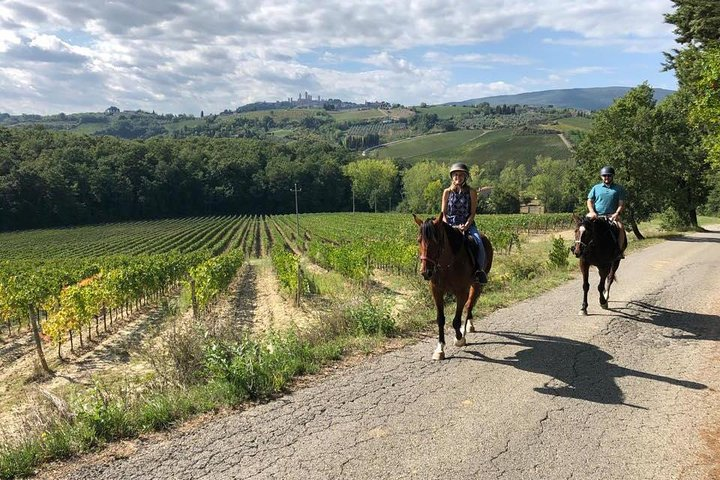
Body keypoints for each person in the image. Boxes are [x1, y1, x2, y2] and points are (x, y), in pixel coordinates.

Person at [441, 162, 488, 284]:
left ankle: (479, 270)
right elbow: (443, 213)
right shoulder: (447, 192)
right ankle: (434, 270)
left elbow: (472, 213)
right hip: (449, 224)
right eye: (456, 175)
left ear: (465, 177)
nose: (458, 177)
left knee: (478, 242)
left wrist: (466, 225)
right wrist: (449, 226)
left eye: (461, 175)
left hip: (466, 224)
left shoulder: (471, 192)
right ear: (452, 177)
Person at [587, 165, 627, 258]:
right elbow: (589, 201)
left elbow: (621, 203)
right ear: (601, 177)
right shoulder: (596, 188)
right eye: (604, 176)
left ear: (612, 176)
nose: (606, 178)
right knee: (583, 226)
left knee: (620, 228)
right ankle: (581, 249)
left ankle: (619, 251)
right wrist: (592, 211)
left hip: (611, 216)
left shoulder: (619, 188)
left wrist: (617, 213)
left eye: (609, 175)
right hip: (596, 214)